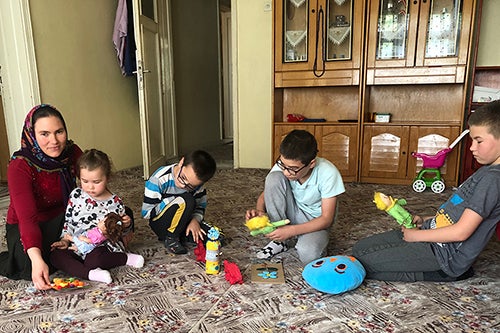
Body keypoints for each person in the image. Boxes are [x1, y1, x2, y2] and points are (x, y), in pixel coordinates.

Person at [352, 100, 500, 282]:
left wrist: (416, 236)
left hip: (444, 255)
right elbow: (456, 215)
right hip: (430, 233)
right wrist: (424, 220)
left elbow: (461, 232)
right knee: (359, 249)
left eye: (479, 141)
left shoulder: (493, 180)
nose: (471, 148)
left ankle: (443, 274)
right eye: (472, 140)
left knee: (362, 265)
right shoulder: (487, 171)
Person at [0, 104, 83, 290]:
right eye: (44, 134)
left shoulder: (72, 152)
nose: (54, 140)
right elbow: (27, 219)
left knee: (117, 217)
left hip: (66, 216)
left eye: (59, 132)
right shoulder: (20, 166)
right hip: (31, 223)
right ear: (32, 135)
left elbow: (95, 184)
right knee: (29, 264)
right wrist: (37, 259)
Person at [245, 129, 345, 264]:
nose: (286, 172)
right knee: (273, 178)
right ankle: (280, 241)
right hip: (291, 213)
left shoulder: (328, 173)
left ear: (311, 164)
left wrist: (291, 230)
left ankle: (307, 239)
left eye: (292, 169)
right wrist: (260, 211)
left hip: (315, 221)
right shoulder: (285, 167)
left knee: (309, 254)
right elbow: (267, 193)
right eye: (283, 165)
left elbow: (326, 219)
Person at [50, 149, 143, 284]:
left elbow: (118, 233)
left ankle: (125, 258)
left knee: (94, 260)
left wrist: (126, 225)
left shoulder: (115, 203)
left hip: (102, 247)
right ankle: (90, 274)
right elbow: (68, 222)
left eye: (96, 182)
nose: (90, 187)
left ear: (107, 177)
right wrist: (65, 240)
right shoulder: (76, 195)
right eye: (85, 181)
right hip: (78, 244)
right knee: (55, 256)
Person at [142, 150, 217, 254]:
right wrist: (172, 200)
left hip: (184, 220)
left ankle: (184, 235)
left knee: (216, 236)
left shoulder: (198, 186)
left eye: (190, 186)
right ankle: (171, 237)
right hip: (161, 224)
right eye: (183, 178)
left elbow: (200, 207)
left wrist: (195, 221)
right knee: (187, 200)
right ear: (181, 162)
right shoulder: (158, 179)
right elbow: (147, 213)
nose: (183, 185)